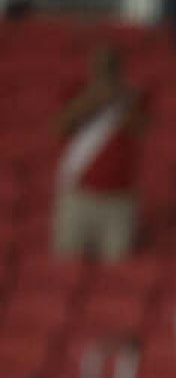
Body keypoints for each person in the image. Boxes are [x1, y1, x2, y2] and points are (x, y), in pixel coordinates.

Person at [53, 46, 145, 261]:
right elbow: (58, 128)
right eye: (100, 66)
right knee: (67, 263)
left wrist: (120, 100)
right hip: (79, 195)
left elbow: (142, 128)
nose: (105, 71)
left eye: (110, 66)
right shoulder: (77, 91)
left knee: (117, 269)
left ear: (119, 68)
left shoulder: (133, 97)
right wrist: (92, 100)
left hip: (118, 200)